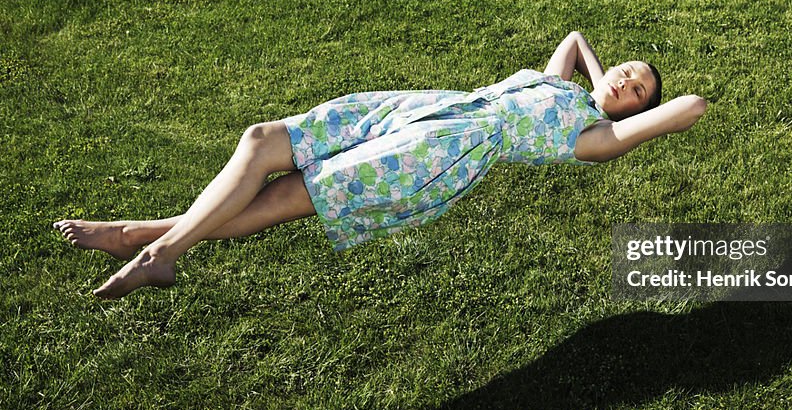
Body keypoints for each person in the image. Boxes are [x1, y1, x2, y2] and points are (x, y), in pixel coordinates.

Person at [53, 31, 707, 299]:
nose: (629, 79)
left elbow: (692, 103)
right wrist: (600, 75)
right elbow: (573, 36)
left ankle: (148, 243)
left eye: (639, 88)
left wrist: (620, 111)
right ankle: (146, 241)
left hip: (432, 152)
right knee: (261, 140)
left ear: (635, 111)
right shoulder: (559, 84)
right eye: (630, 69)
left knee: (287, 196)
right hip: (414, 109)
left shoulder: (593, 135)